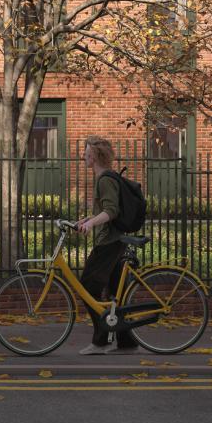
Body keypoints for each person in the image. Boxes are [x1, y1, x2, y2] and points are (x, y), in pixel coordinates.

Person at [74, 135, 138, 355]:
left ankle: (101, 341)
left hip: (109, 243)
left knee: (87, 286)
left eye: (85, 153)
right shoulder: (103, 178)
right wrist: (86, 219)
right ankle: (126, 342)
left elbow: (111, 211)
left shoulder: (104, 179)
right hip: (113, 241)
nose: (83, 156)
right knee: (113, 294)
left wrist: (92, 223)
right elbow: (104, 209)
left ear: (93, 156)